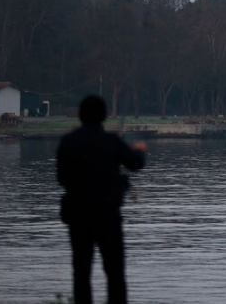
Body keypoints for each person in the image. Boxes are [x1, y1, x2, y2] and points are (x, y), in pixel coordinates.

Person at [56, 95, 147, 304]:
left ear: (80, 115)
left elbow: (61, 179)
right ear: (104, 116)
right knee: (115, 273)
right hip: (108, 216)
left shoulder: (68, 142)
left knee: (81, 273)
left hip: (78, 217)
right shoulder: (112, 142)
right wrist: (139, 151)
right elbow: (135, 164)